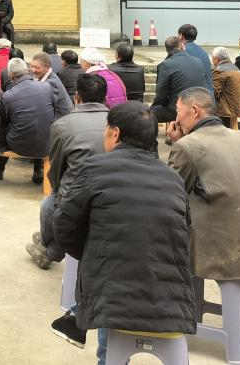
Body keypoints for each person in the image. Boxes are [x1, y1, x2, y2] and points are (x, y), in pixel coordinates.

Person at [51, 101, 195, 353]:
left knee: (106, 267)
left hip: (113, 300)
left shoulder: (94, 168)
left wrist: (91, 251)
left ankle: (86, 329)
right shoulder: (172, 178)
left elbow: (63, 225)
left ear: (115, 133)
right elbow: (186, 232)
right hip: (171, 302)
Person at [167, 87, 240, 290]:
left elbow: (171, 193)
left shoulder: (188, 146)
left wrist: (177, 144)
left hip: (214, 246)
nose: (176, 119)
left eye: (178, 111)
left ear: (195, 111)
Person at [27, 73, 109, 270]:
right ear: (105, 98)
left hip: (76, 194)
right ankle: (49, 247)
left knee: (49, 204)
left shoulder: (63, 125)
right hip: (111, 189)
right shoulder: (117, 121)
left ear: (76, 97)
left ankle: (49, 248)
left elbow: (56, 167)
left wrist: (58, 189)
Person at [0, 57, 56, 185]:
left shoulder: (8, 96)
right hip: (46, 142)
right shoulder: (46, 87)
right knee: (39, 123)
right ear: (27, 70)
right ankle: (37, 170)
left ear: (11, 75)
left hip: (20, 145)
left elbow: (4, 123)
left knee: (9, 128)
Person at [150, 36, 209, 124]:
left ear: (167, 50)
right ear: (182, 46)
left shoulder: (166, 65)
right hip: (201, 106)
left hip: (178, 109)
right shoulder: (198, 61)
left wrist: (155, 106)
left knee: (147, 114)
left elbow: (161, 95)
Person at [211, 46, 240, 128]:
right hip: (236, 107)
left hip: (225, 111)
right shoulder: (234, 68)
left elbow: (214, 92)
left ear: (217, 59)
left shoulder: (220, 70)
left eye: (212, 58)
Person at [30, 52, 73, 118]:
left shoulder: (52, 83)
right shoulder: (48, 76)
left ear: (47, 67)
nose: (33, 70)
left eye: (36, 67)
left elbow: (42, 106)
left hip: (63, 119)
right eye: (31, 66)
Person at [178, 23, 215, 95]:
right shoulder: (204, 52)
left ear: (181, 36)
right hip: (207, 93)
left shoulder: (182, 53)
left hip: (192, 95)